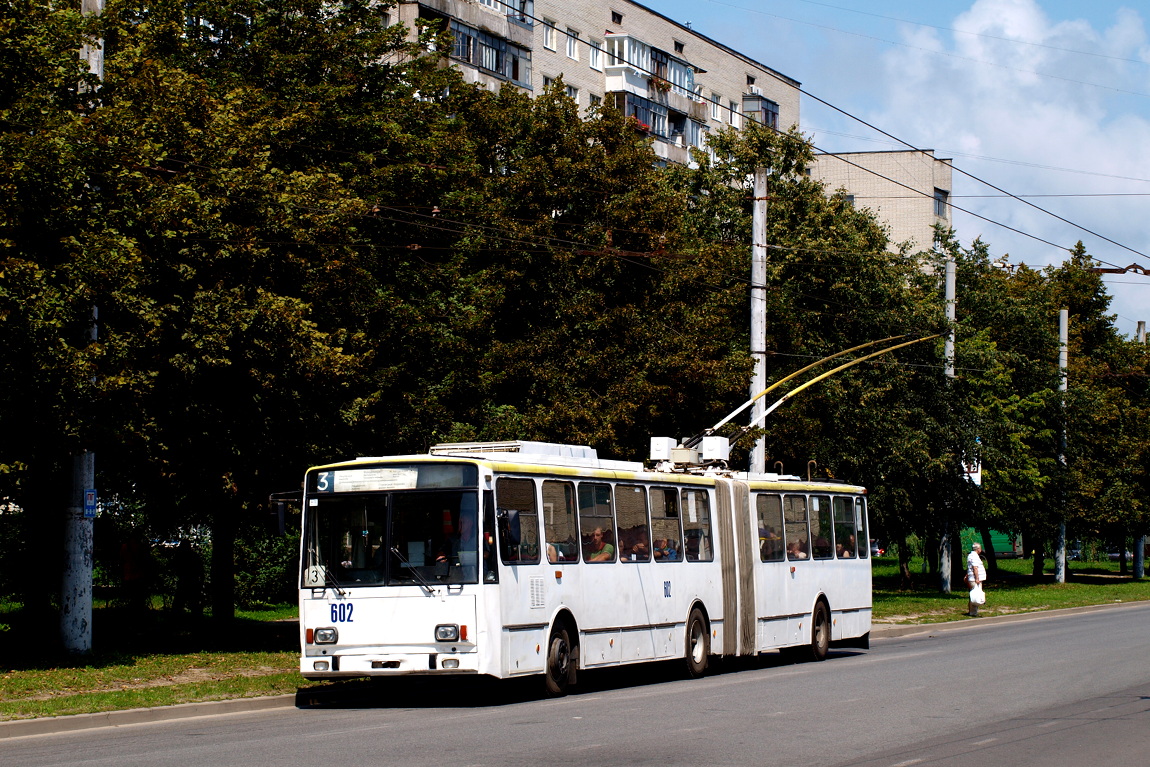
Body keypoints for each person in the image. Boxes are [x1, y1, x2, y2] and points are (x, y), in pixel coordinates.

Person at [966, 542, 986, 616]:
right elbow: (975, 568)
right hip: (975, 580)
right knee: (975, 595)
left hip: (972, 578)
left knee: (973, 594)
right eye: (980, 548)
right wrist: (977, 578)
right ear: (978, 549)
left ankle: (972, 611)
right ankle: (973, 612)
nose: (980, 549)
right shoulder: (974, 556)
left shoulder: (972, 555)